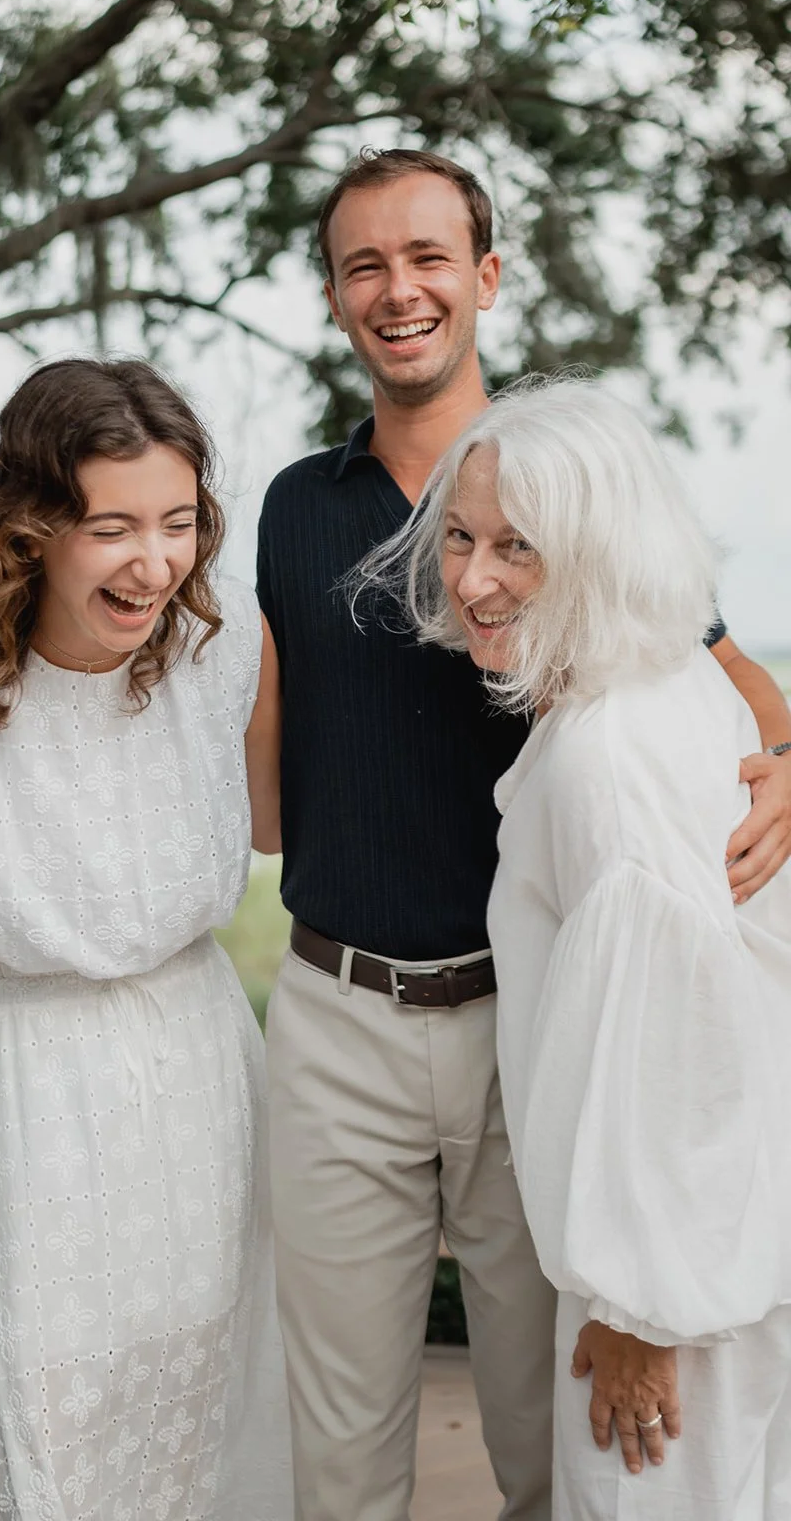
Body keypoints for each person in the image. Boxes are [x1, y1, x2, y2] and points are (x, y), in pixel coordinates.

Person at [255, 148, 791, 1521]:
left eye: (428, 256)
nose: (399, 288)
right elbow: (256, 749)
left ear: (485, 277)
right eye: (363, 263)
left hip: (529, 1028)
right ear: (333, 297)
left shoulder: (570, 493)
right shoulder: (296, 510)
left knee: (556, 1436)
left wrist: (789, 757)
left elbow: (728, 686)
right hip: (339, 1017)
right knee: (341, 1447)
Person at [371, 375, 791, 1518]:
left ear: (601, 550)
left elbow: (681, 1055)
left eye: (521, 547)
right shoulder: (661, 685)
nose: (472, 579)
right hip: (712, 1262)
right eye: (459, 536)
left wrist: (633, 1316)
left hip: (673, 1292)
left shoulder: (610, 749)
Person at [0, 357, 292, 1521]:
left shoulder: (226, 647)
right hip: (16, 1070)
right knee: (46, 1424)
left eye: (179, 523)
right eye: (112, 527)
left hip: (193, 1048)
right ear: (29, 528)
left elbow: (282, 815)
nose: (156, 563)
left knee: (207, 1387)